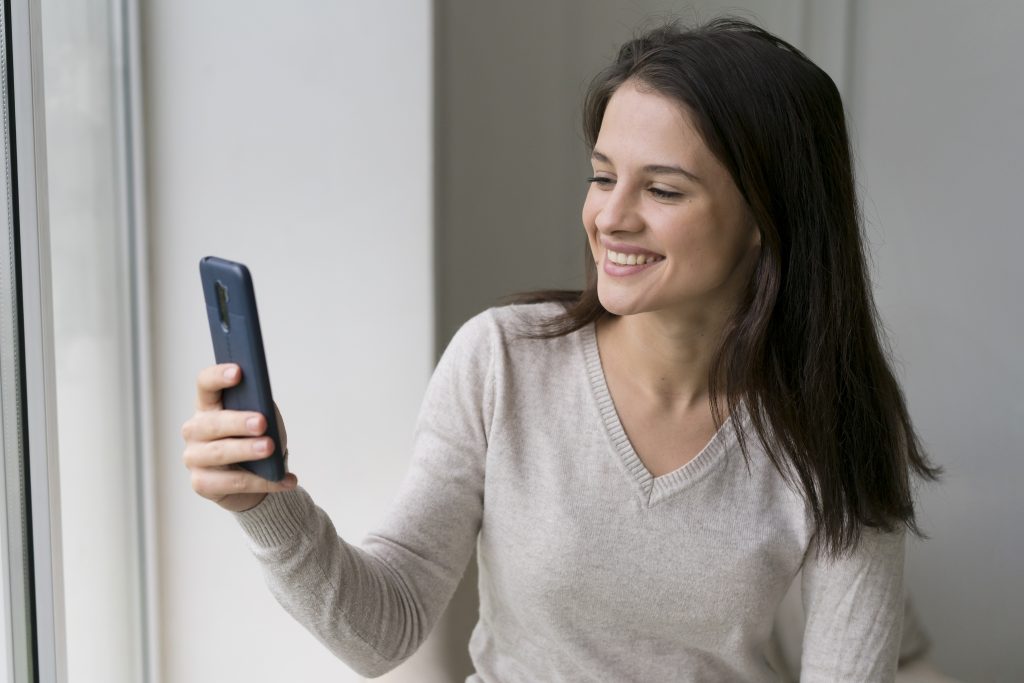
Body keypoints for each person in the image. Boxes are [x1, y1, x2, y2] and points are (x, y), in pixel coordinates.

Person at [181, 18, 941, 682]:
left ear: (766, 219)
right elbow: (386, 626)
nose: (611, 216)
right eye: (603, 176)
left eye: (664, 191)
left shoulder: (835, 421)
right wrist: (263, 505)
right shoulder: (501, 363)